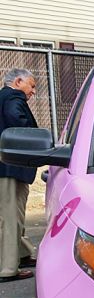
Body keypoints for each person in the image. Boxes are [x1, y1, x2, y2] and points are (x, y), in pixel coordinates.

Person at [0, 68, 38, 283]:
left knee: (12, 214)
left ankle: (22, 254)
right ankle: (7, 269)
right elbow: (16, 116)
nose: (32, 92)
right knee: (10, 217)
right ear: (18, 81)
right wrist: (33, 138)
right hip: (9, 167)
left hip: (4, 167)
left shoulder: (1, 97)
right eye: (31, 86)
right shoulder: (13, 96)